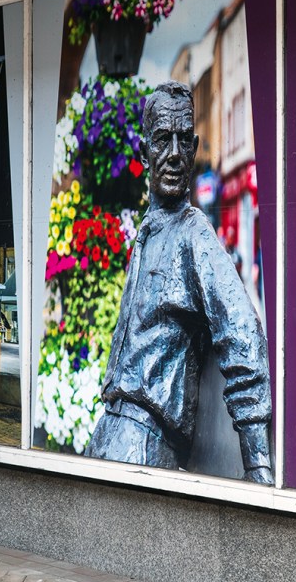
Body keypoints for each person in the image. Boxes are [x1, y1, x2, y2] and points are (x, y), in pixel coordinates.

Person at [85, 81, 273, 483]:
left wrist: (258, 468)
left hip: (146, 443)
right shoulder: (150, 230)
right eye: (162, 140)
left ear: (195, 147)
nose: (173, 154)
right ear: (144, 152)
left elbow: (243, 333)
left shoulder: (194, 235)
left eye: (183, 141)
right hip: (111, 437)